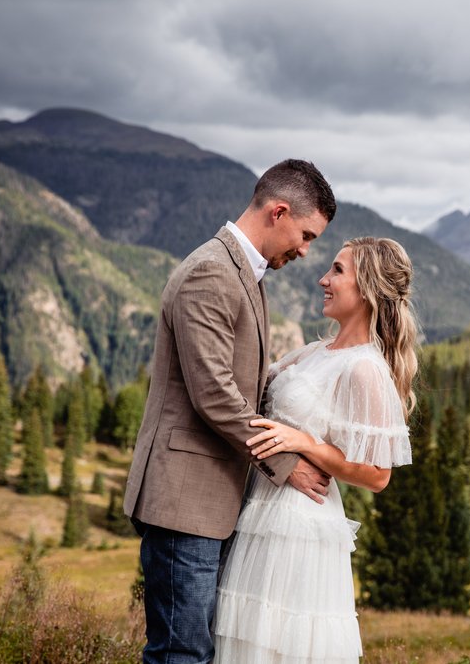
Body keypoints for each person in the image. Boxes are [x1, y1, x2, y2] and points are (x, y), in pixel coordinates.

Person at [123, 159, 337, 664]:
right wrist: (286, 465)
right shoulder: (211, 273)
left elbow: (245, 375)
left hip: (207, 502)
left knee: (196, 650)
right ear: (279, 211)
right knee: (181, 653)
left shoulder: (245, 274)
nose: (305, 251)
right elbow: (216, 395)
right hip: (183, 502)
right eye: (305, 235)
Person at [213, 236, 419, 663]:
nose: (324, 279)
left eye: (338, 271)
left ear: (368, 288)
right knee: (245, 638)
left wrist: (307, 444)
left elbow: (378, 475)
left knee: (284, 643)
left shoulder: (365, 368)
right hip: (261, 509)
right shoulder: (314, 352)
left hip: (301, 524)